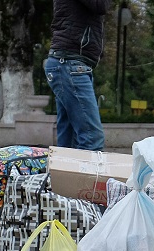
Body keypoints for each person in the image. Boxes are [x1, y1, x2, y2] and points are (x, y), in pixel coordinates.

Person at [44, 0, 111, 151]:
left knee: (69, 143)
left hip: (69, 64)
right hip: (69, 64)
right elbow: (101, 5)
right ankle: (89, 175)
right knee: (92, 139)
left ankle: (65, 174)